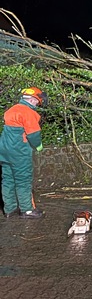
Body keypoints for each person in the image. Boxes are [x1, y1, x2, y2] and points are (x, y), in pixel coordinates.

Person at [0, 87, 47, 219]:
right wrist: (38, 146)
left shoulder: (11, 110)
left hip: (4, 151)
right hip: (19, 152)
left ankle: (9, 209)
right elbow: (33, 134)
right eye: (37, 102)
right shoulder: (28, 112)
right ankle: (27, 209)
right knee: (23, 180)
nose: (37, 105)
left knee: (8, 180)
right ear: (32, 100)